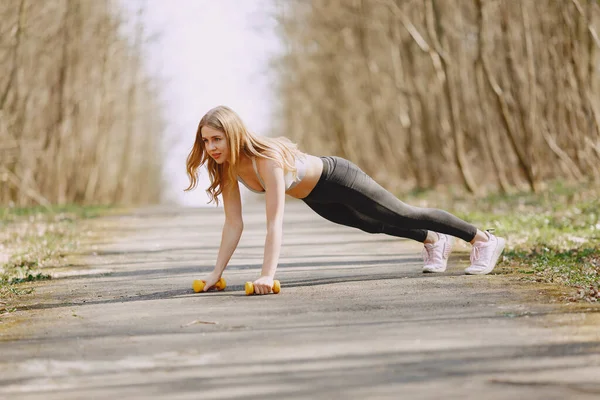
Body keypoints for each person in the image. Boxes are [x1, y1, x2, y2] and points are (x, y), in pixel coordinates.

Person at [186, 105, 506, 295]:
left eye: (217, 139)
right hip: (315, 196)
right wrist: (216, 273)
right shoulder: (225, 167)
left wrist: (267, 274)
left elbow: (274, 223)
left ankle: (483, 239)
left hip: (337, 177)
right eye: (206, 141)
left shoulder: (265, 159)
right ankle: (433, 240)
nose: (212, 147)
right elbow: (233, 223)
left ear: (234, 133)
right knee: (371, 224)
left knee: (401, 212)